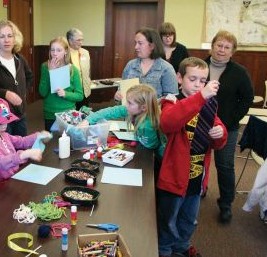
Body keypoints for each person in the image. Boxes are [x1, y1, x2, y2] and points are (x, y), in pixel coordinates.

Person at [157, 57, 227, 257]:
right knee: (168, 220)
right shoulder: (171, 101)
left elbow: (218, 134)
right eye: (193, 79)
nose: (198, 85)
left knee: (189, 219)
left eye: (203, 81)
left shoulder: (208, 104)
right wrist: (200, 97)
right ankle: (164, 250)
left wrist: (220, 133)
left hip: (196, 178)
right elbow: (168, 123)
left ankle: (182, 247)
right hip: (174, 179)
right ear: (179, 78)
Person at [205, 30, 254, 223]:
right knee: (197, 162)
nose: (222, 50)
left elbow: (247, 98)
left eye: (227, 47)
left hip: (227, 128)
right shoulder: (199, 66)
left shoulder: (239, 72)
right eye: (219, 45)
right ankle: (198, 190)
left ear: (232, 51)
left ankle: (225, 204)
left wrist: (232, 120)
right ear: (212, 46)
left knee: (225, 166)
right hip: (199, 124)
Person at [0, 96, 50, 201]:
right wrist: (24, 154)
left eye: (6, 121)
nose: (4, 126)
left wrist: (38, 136)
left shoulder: (4, 135)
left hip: (13, 179)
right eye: (0, 123)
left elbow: (22, 141)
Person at [79, 84, 165, 166]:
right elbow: (109, 112)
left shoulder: (147, 126)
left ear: (143, 107)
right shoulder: (134, 110)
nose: (126, 105)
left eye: (130, 103)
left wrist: (138, 137)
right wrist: (87, 120)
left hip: (159, 158)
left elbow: (150, 146)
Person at [115, 27, 178, 101]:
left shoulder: (166, 69)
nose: (136, 47)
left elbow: (171, 99)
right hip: (130, 112)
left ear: (152, 46)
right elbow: (121, 91)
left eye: (140, 43)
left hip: (156, 112)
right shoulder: (130, 65)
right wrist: (118, 95)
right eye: (135, 43)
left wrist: (151, 104)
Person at [39, 36, 84, 131]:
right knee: (51, 142)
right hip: (50, 112)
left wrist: (65, 94)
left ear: (66, 51)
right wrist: (50, 72)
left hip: (68, 112)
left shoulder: (72, 70)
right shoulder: (45, 66)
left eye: (59, 50)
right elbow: (42, 92)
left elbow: (80, 95)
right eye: (52, 50)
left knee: (68, 142)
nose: (55, 53)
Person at [66, 28, 91, 109]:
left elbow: (88, 72)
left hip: (84, 91)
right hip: (71, 92)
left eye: (82, 40)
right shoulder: (64, 53)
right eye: (78, 40)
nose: (81, 42)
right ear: (70, 41)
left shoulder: (85, 53)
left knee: (84, 114)